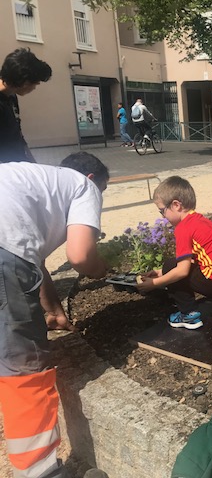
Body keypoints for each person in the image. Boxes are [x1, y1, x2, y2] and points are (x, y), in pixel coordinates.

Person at [0, 152, 110, 478]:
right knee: (24, 367)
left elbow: (35, 264)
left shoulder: (31, 182)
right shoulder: (83, 186)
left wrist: (55, 312)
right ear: (93, 179)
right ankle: (41, 473)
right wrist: (100, 268)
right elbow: (80, 256)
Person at [136, 176, 212, 329]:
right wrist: (160, 272)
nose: (163, 216)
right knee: (171, 267)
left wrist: (154, 284)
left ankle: (188, 315)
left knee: (171, 265)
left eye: (162, 211)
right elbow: (202, 258)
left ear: (176, 205)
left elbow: (181, 271)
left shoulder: (183, 228)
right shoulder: (199, 220)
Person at [0, 48, 52, 163]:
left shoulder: (12, 97)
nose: (34, 88)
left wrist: (33, 163)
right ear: (25, 82)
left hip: (19, 164)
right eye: (35, 84)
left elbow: (17, 134)